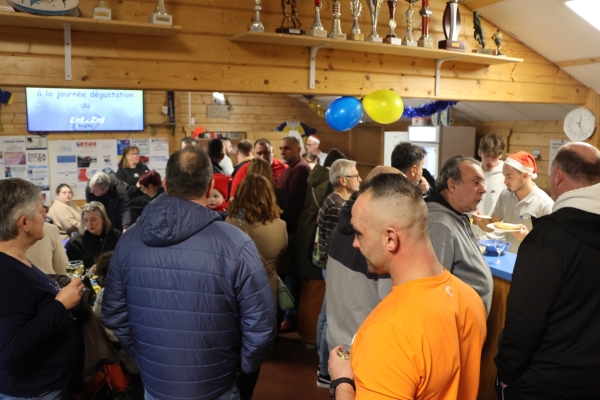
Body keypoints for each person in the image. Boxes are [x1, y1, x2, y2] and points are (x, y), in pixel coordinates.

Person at [102, 146, 277, 400]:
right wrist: (244, 366)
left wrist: (144, 355)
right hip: (216, 383)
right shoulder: (236, 243)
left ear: (165, 184)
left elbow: (113, 313)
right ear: (209, 187)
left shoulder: (128, 243)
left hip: (156, 383)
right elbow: (261, 326)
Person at [328, 173, 487, 400]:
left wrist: (341, 382)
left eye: (360, 233)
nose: (354, 242)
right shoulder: (470, 297)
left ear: (390, 238)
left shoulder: (387, 331)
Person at [495, 142, 600, 400]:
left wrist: (506, 373)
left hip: (544, 382)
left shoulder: (548, 236)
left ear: (557, 175)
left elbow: (525, 318)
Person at [0, 178, 84, 400]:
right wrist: (60, 305)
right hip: (30, 392)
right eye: (40, 210)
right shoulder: (6, 273)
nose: (45, 215)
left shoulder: (16, 260)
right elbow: (9, 347)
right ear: (24, 223)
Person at [225, 174, 287, 400]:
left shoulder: (233, 222)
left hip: (235, 293)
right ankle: (246, 392)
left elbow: (239, 220)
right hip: (265, 294)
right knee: (255, 347)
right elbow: (282, 254)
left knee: (233, 343)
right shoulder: (280, 225)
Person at [325, 167, 396, 363]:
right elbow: (391, 302)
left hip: (339, 342)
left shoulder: (340, 228)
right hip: (366, 349)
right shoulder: (380, 240)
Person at [425, 155, 494, 315]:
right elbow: (434, 290)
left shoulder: (454, 214)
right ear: (452, 185)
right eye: (476, 183)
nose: (483, 189)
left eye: (482, 183)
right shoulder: (439, 224)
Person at [315, 159, 361, 388]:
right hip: (330, 266)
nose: (360, 180)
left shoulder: (335, 200)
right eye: (356, 176)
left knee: (326, 317)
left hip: (327, 265)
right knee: (328, 319)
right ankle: (324, 370)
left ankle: (322, 366)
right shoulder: (337, 205)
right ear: (342, 180)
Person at [473, 151, 553, 252]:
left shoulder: (545, 204)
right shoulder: (505, 195)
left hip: (528, 261)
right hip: (504, 257)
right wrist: (480, 221)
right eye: (504, 176)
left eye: (509, 176)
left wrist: (527, 236)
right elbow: (492, 225)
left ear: (525, 175)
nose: (505, 181)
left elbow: (551, 244)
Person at [276, 135, 312, 336]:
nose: (283, 152)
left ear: (298, 149)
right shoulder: (290, 169)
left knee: (291, 276)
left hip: (293, 230)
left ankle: (291, 317)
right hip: (287, 228)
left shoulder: (300, 170)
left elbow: (290, 205)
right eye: (281, 148)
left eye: (287, 148)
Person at [66, 201, 122, 271]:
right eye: (86, 220)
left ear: (103, 219)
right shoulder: (74, 243)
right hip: (87, 280)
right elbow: (74, 274)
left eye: (93, 219)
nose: (89, 224)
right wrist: (90, 273)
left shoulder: (116, 236)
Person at [473, 134, 506, 238]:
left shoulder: (506, 175)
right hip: (471, 233)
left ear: (500, 155)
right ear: (480, 152)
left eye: (494, 156)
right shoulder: (471, 171)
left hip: (495, 237)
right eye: (487, 156)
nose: (490, 161)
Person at [247, 157, 289, 225]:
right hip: (274, 232)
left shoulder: (243, 194)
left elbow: (239, 217)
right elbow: (287, 220)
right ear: (269, 172)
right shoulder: (278, 195)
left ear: (249, 172)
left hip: (245, 232)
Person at [116, 146, 151, 223]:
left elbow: (151, 182)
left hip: (146, 204)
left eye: (138, 153)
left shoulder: (143, 167)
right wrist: (137, 186)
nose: (138, 156)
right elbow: (123, 191)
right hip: (131, 207)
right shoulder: (121, 172)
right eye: (134, 154)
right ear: (127, 156)